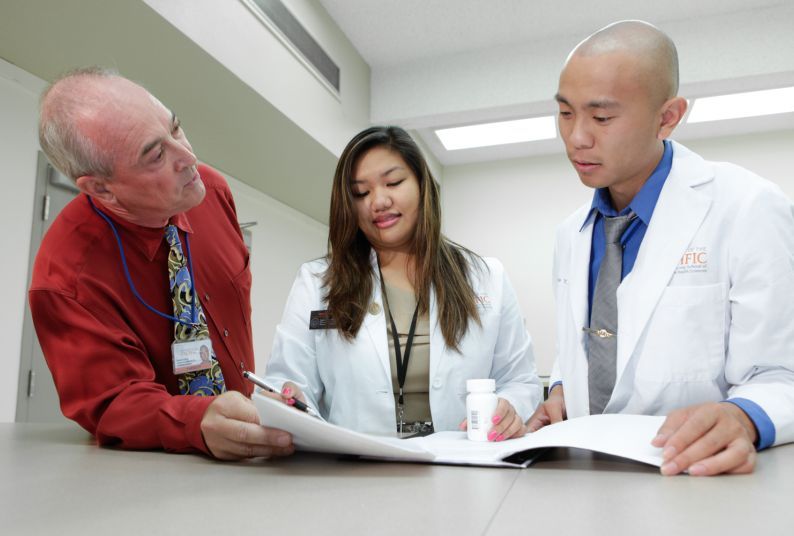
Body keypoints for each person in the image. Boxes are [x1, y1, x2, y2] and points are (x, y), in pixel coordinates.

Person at [527, 21, 794, 475]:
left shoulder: (748, 207)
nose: (576, 138)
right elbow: (582, 348)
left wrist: (742, 416)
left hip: (696, 481)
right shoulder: (569, 234)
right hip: (586, 480)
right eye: (566, 113)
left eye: (602, 117)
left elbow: (783, 374)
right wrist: (559, 391)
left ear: (667, 116)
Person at [30, 67, 294, 460]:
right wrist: (197, 421)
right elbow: (114, 401)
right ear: (101, 188)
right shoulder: (66, 277)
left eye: (176, 129)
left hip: (250, 454)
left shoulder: (212, 192)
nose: (189, 158)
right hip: (156, 472)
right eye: (156, 155)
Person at [265, 126, 542, 439]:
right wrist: (290, 401)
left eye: (393, 182)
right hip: (355, 470)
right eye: (361, 193)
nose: (378, 201)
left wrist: (510, 407)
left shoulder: (486, 278)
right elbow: (289, 382)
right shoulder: (317, 283)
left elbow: (520, 381)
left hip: (461, 468)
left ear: (423, 185)